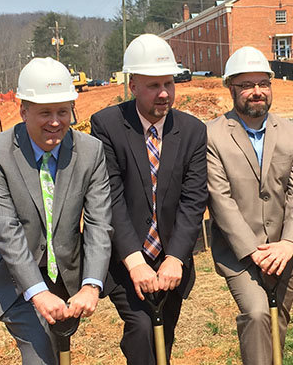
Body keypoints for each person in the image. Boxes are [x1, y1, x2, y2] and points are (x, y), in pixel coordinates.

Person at [0, 57, 113, 365]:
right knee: (41, 354)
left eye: (63, 111)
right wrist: (37, 291)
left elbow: (99, 223)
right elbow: (6, 229)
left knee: (58, 349)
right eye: (45, 112)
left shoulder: (90, 152)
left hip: (66, 277)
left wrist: (90, 285)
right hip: (12, 277)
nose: (56, 121)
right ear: (23, 111)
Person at [90, 34, 207, 365]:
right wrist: (135, 261)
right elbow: (109, 197)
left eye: (169, 83)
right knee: (142, 328)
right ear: (132, 85)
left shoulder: (193, 131)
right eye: (153, 85)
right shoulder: (108, 125)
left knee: (163, 338)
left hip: (171, 260)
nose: (165, 93)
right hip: (127, 260)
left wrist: (176, 258)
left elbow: (194, 199)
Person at [207, 46, 293, 365]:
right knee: (256, 315)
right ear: (230, 88)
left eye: (263, 83)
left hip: (284, 253)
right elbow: (219, 198)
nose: (256, 92)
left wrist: (289, 244)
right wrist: (253, 251)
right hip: (240, 253)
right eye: (246, 85)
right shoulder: (212, 135)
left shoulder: (292, 134)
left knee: (277, 324)